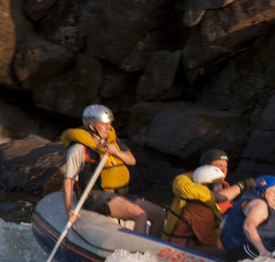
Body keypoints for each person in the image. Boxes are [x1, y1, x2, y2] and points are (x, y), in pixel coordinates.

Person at [61, 104, 166, 236]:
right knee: (140, 215)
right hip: (94, 197)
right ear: (92, 127)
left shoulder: (111, 140)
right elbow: (68, 179)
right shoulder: (78, 149)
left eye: (109, 124)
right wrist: (68, 208)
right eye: (104, 124)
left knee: (159, 214)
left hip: (116, 194)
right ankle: (138, 256)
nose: (108, 127)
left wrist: (116, 152)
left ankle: (154, 253)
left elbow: (131, 160)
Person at [161, 150, 253, 242]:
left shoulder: (224, 185)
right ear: (206, 166)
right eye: (220, 165)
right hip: (194, 235)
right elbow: (217, 197)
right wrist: (242, 186)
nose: (224, 170)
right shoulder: (187, 179)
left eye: (226, 166)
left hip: (222, 227)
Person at [161, 164, 226, 252]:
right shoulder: (201, 208)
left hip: (177, 245)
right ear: (205, 186)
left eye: (221, 185)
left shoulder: (198, 200)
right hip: (180, 250)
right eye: (217, 185)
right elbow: (208, 242)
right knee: (221, 255)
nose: (221, 188)